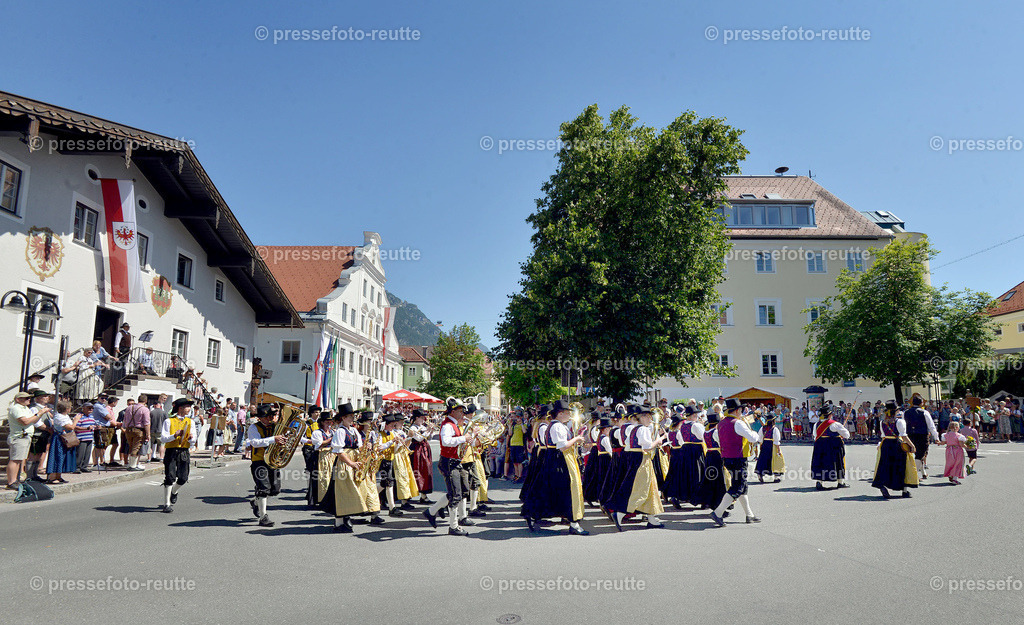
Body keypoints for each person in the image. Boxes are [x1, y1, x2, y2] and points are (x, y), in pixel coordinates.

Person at [521, 400, 589, 535]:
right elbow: (563, 446)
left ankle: (534, 514)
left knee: (551, 490)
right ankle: (573, 522)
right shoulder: (557, 426)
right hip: (560, 459)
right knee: (569, 489)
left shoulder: (555, 425)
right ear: (560, 413)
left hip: (556, 458)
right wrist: (576, 439)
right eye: (567, 413)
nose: (570, 415)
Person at [423, 398, 476, 535]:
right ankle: (453, 526)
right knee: (455, 495)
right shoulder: (447, 425)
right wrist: (463, 439)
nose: (463, 414)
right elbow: (446, 442)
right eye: (460, 411)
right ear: (453, 412)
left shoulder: (455, 424)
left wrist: (470, 437)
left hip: (454, 461)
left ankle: (432, 511)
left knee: (458, 492)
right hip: (449, 462)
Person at [711, 398, 761, 527]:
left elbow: (716, 437)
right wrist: (755, 433)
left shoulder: (721, 423)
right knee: (738, 487)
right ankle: (718, 512)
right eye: (741, 410)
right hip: (738, 458)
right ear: (738, 410)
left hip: (727, 458)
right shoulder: (737, 423)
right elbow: (752, 438)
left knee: (742, 487)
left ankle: (749, 515)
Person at [319, 403, 367, 533]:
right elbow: (338, 451)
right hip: (344, 462)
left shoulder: (354, 430)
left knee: (352, 490)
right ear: (343, 418)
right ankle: (339, 522)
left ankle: (347, 516)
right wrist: (351, 463)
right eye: (350, 416)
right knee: (342, 491)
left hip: (354, 460)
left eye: (353, 416)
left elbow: (360, 446)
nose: (353, 418)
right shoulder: (340, 431)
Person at [247, 405, 286, 527]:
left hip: (273, 461)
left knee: (275, 489)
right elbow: (255, 443)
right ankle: (263, 517)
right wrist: (274, 439)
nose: (271, 418)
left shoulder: (276, 427)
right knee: (264, 488)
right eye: (268, 416)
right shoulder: (254, 427)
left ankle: (255, 501)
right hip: (259, 462)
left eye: (272, 416)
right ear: (261, 418)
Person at [871, 401, 917, 499]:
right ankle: (904, 491)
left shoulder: (882, 422)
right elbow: (904, 436)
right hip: (897, 445)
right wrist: (912, 445)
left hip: (886, 444)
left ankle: (882, 485)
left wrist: (880, 445)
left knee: (884, 466)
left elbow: (883, 435)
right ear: (896, 411)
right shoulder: (900, 421)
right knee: (901, 466)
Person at [158, 398, 197, 512]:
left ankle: (174, 492)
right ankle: (166, 504)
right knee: (169, 477)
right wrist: (174, 436)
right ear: (180, 408)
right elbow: (163, 438)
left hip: (184, 451)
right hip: (171, 451)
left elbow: (194, 439)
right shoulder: (169, 421)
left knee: (183, 478)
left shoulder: (191, 422)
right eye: (187, 407)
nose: (189, 409)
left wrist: (191, 439)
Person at [6, 392, 43, 489]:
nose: (28, 400)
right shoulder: (16, 408)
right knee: (15, 460)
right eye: (26, 398)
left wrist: (38, 415)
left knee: (19, 460)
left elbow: (33, 420)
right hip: (19, 437)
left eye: (29, 398)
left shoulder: (25, 409)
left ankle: (15, 479)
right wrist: (39, 413)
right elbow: (25, 421)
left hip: (26, 437)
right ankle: (11, 481)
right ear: (18, 399)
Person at [811, 404, 851, 490]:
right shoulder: (835, 424)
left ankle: (819, 482)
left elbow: (815, 436)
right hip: (834, 446)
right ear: (830, 415)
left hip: (820, 445)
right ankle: (840, 482)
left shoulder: (816, 424)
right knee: (838, 462)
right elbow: (847, 435)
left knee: (820, 462)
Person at [904, 395, 940, 480]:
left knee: (914, 453)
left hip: (909, 435)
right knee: (920, 454)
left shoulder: (906, 412)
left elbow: (903, 425)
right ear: (921, 403)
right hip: (922, 436)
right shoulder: (924, 412)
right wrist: (936, 437)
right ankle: (913, 475)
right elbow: (931, 426)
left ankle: (923, 472)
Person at [25, 390, 54, 482]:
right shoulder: (35, 408)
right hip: (37, 434)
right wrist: (47, 429)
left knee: (39, 454)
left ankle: (35, 474)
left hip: (43, 435)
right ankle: (29, 476)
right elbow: (36, 423)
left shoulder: (45, 409)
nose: (46, 398)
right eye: (43, 396)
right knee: (34, 454)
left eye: (46, 396)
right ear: (37, 398)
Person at [45, 400, 77, 483]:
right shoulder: (59, 417)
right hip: (59, 438)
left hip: (65, 438)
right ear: (67, 408)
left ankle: (58, 476)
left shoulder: (65, 416)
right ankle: (52, 477)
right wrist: (76, 420)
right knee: (57, 456)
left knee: (62, 457)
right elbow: (70, 427)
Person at [408, 409, 435, 503]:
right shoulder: (413, 428)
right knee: (416, 471)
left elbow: (428, 438)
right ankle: (408, 496)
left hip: (424, 450)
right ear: (417, 418)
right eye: (422, 417)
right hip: (416, 451)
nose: (424, 419)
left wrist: (430, 431)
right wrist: (428, 430)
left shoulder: (422, 426)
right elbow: (419, 438)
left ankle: (424, 495)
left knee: (426, 471)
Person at [122, 394, 150, 471]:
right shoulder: (145, 409)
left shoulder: (129, 408)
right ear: (145, 401)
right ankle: (133, 466)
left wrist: (125, 428)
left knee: (131, 446)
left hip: (128, 429)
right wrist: (148, 434)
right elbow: (146, 423)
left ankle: (130, 464)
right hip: (138, 430)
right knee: (136, 447)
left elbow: (125, 419)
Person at [755, 413, 785, 483]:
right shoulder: (775, 429)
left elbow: (760, 438)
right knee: (776, 460)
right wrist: (778, 450)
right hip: (772, 445)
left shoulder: (763, 428)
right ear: (773, 421)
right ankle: (776, 476)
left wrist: (761, 446)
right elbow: (777, 440)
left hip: (765, 444)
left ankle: (760, 474)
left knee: (763, 459)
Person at [74, 403, 96, 474]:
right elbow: (75, 427)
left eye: (92, 408)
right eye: (89, 408)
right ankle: (77, 467)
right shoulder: (79, 416)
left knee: (87, 454)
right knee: (80, 454)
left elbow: (93, 425)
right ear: (84, 408)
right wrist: (86, 428)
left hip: (89, 437)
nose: (91, 409)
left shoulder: (92, 416)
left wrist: (96, 427)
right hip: (81, 437)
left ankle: (84, 467)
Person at [148, 396, 168, 462]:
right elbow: (166, 422)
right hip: (160, 430)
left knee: (150, 445)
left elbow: (149, 421)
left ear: (155, 405)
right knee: (161, 445)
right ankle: (161, 457)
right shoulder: (164, 412)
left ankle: (149, 458)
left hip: (152, 430)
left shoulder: (151, 412)